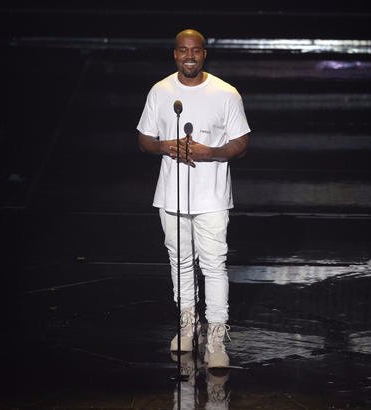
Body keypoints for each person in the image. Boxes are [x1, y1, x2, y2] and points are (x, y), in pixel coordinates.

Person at [137, 29, 250, 368]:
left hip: (212, 197)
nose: (189, 56)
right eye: (183, 50)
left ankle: (215, 336)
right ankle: (187, 324)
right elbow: (144, 140)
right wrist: (165, 145)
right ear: (175, 54)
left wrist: (209, 152)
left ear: (204, 54)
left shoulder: (225, 93)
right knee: (180, 262)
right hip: (171, 196)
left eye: (196, 50)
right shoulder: (160, 91)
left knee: (214, 265)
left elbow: (241, 143)